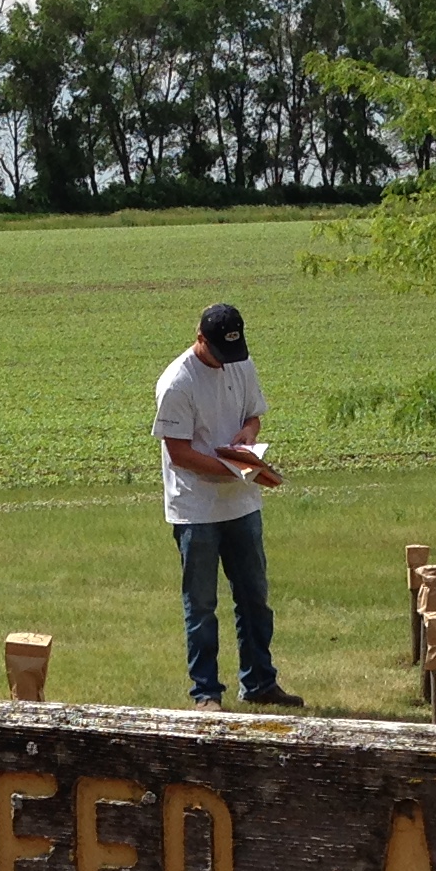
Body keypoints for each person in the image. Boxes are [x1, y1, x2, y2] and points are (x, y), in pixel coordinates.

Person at [154, 302, 298, 710]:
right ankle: (205, 693)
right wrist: (226, 467)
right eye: (218, 353)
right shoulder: (176, 383)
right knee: (201, 605)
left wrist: (246, 437)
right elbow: (179, 452)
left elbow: (254, 415)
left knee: (254, 597)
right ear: (200, 338)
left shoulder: (240, 363)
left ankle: (260, 683)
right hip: (196, 509)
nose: (225, 362)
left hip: (243, 503)